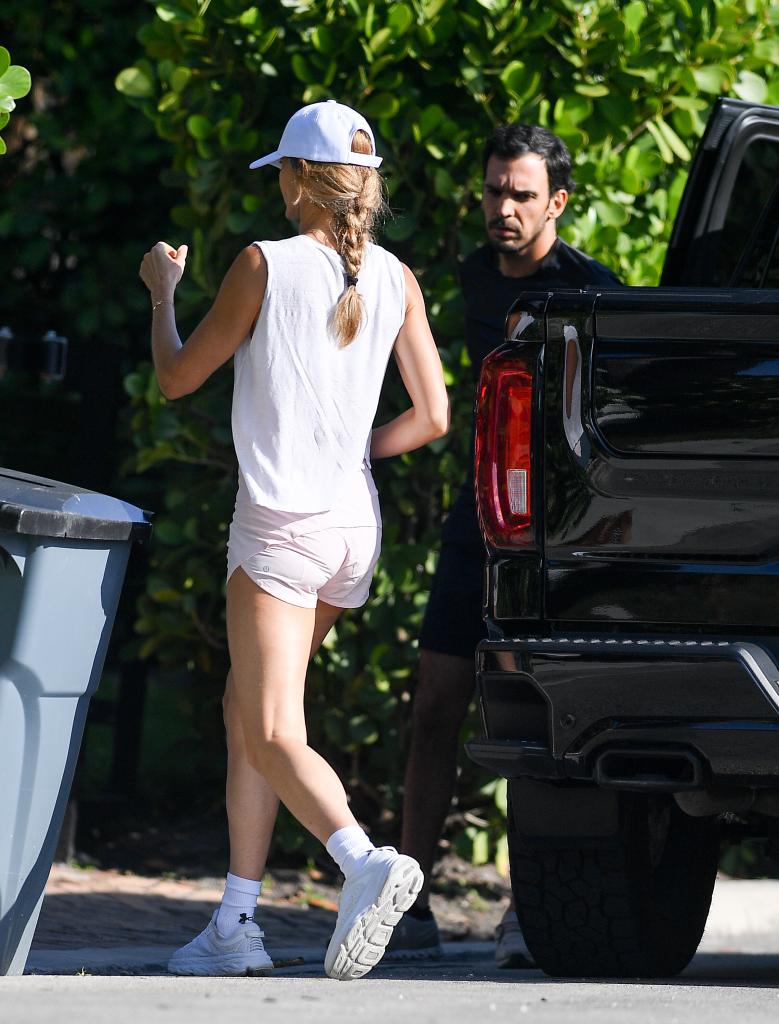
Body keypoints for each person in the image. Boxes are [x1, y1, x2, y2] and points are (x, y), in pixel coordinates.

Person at [139, 100, 450, 981]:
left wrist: (162, 293)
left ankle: (362, 862)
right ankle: (237, 922)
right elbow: (430, 417)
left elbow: (174, 379)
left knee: (271, 725)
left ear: (296, 182)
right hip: (352, 530)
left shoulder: (260, 264)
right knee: (250, 710)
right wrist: (354, 453)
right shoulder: (398, 276)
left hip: (280, 527)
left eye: (279, 169)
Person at [387, 123, 621, 966]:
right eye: (494, 191)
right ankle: (406, 906)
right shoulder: (461, 281)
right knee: (436, 705)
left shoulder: (594, 292)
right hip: (475, 521)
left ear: (556, 201)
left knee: (548, 719)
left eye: (521, 194)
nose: (504, 208)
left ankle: (533, 913)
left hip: (560, 538)